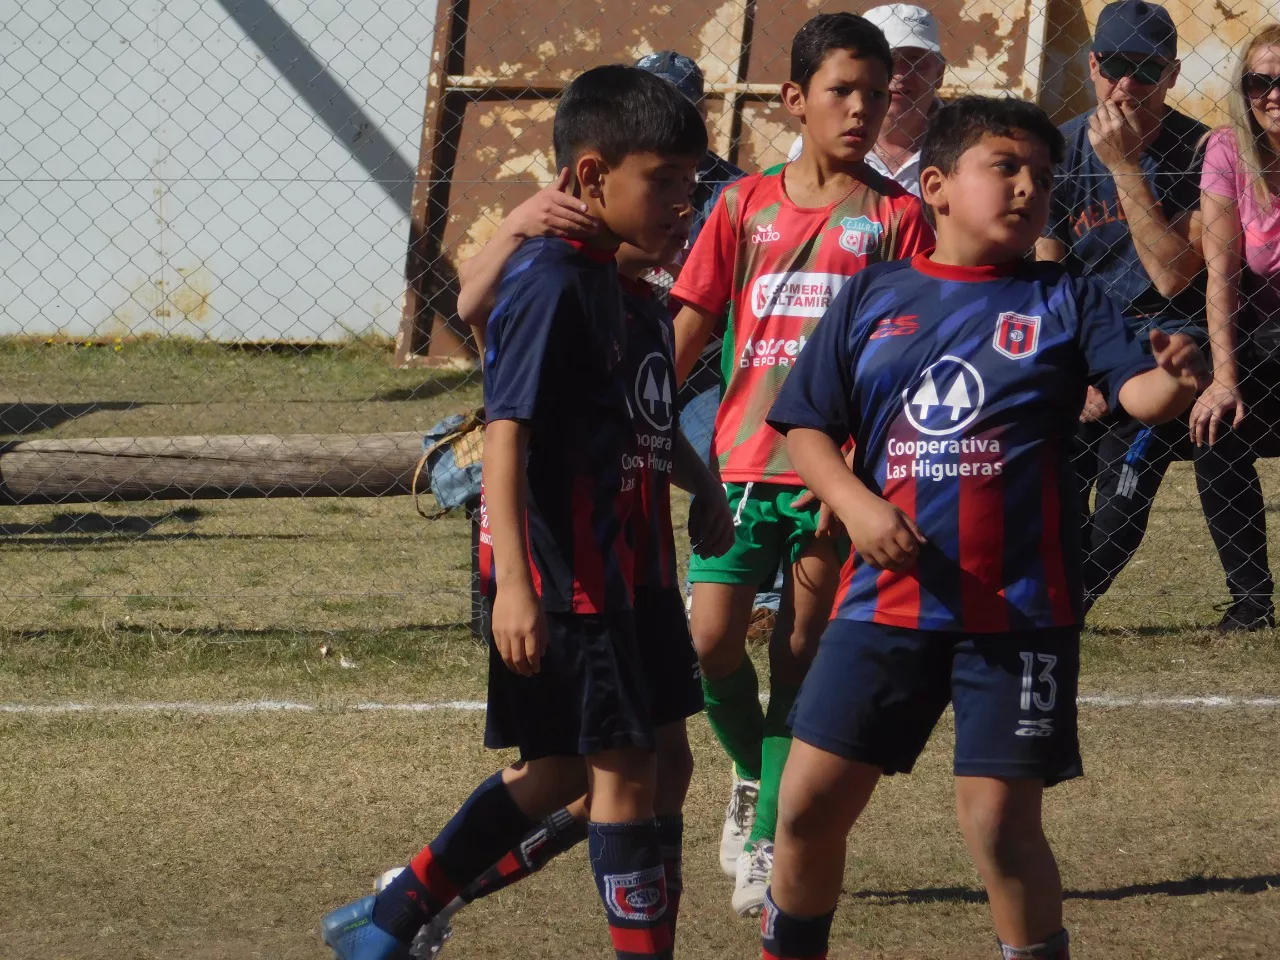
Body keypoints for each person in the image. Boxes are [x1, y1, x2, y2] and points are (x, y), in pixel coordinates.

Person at [762, 94, 1207, 960]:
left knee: (1000, 826)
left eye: (1041, 175)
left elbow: (1138, 395)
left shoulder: (1068, 296)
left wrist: (1177, 382)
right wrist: (855, 505)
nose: (1027, 188)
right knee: (808, 806)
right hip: (884, 603)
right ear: (935, 185)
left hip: (1019, 608)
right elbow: (807, 426)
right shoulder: (874, 296)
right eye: (1004, 167)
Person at [319, 64, 710, 960]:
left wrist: (710, 493)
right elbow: (506, 434)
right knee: (620, 773)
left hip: (637, 578)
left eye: (691, 183)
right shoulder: (548, 281)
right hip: (570, 579)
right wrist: (517, 589)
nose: (681, 203)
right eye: (663, 182)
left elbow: (648, 425)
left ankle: (391, 920)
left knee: (596, 772)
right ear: (588, 177)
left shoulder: (632, 294)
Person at [669, 12, 933, 917]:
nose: (863, 108)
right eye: (842, 92)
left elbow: (908, 357)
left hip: (835, 482)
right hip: (738, 466)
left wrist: (865, 482)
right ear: (795, 101)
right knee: (707, 645)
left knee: (802, 655)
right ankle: (753, 773)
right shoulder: (742, 204)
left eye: (877, 91)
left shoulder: (899, 217)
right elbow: (691, 322)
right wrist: (636, 418)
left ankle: (769, 840)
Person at [1035, 0, 1209, 613]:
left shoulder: (1202, 151)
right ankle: (1045, 602)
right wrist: (1070, 363)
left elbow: (1170, 275)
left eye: (1146, 69)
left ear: (1172, 74)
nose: (1127, 84)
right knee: (1056, 484)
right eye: (1114, 66)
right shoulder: (1058, 147)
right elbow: (1046, 270)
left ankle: (1062, 606)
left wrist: (1125, 164)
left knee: (1119, 498)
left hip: (1167, 339)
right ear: (1091, 64)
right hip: (1083, 336)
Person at [1191, 23, 1280, 630]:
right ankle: (1252, 602)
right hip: (1259, 336)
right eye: (1259, 81)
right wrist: (1225, 378)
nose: (1273, 94)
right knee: (1218, 430)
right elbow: (1219, 277)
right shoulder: (1228, 150)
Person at [785, 3, 945, 197]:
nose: (901, 74)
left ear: (939, 74)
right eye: (889, 60)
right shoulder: (811, 149)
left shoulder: (963, 147)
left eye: (916, 61)